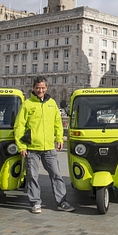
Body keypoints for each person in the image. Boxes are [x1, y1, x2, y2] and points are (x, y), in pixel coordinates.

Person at [14, 76, 74, 214]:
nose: (40, 90)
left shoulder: (52, 103)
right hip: (32, 148)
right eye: (37, 88)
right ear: (34, 89)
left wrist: (59, 139)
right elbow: (19, 126)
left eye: (42, 88)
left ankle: (62, 202)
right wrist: (21, 146)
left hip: (48, 147)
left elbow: (57, 123)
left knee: (56, 174)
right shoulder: (27, 104)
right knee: (32, 176)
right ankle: (35, 202)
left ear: (46, 88)